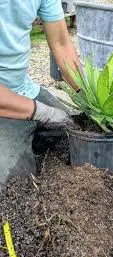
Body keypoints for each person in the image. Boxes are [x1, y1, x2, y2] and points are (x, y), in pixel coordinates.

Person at [0, 0, 81, 185]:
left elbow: (61, 44)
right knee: (14, 182)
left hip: (23, 90)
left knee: (77, 132)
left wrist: (86, 94)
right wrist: (42, 112)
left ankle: (22, 139)